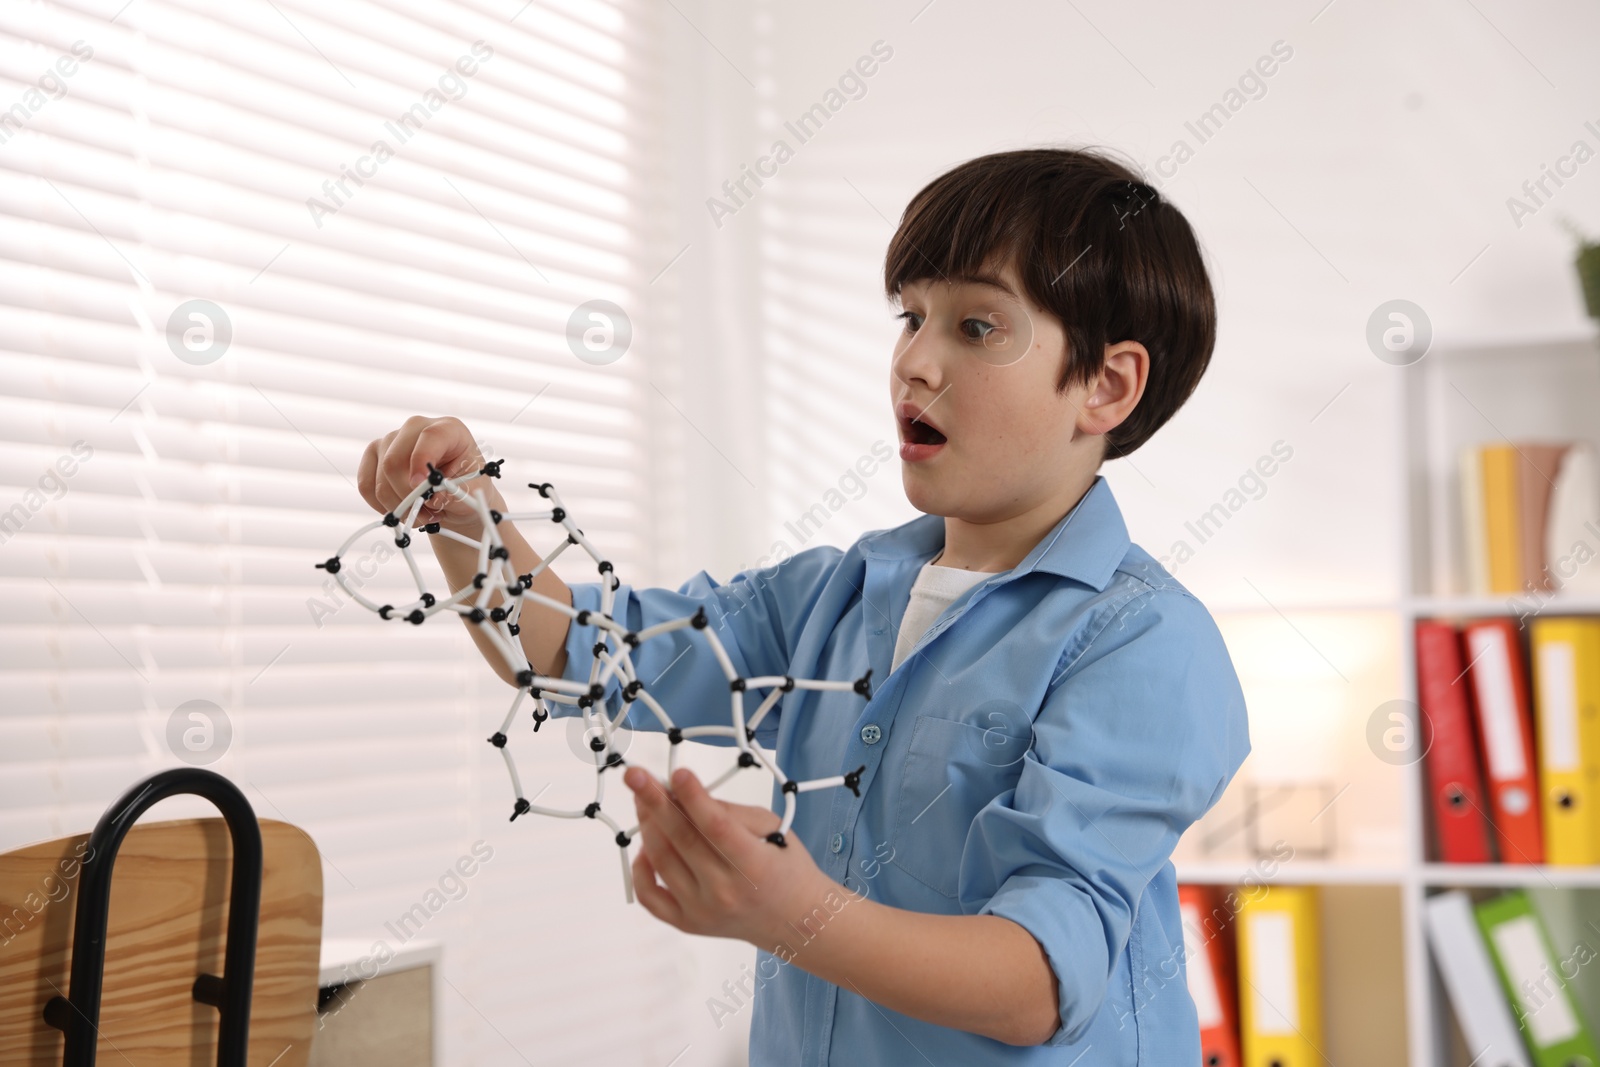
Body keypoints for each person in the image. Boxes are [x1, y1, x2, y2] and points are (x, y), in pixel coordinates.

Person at [357, 145, 1250, 1065]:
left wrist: (795, 913)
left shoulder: (1143, 644)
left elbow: (1038, 981)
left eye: (977, 327)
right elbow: (577, 655)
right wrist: (465, 514)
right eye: (912, 316)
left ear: (1106, 385)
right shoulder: (829, 597)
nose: (915, 362)